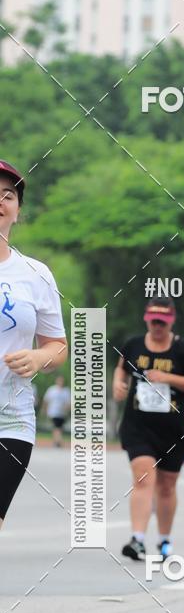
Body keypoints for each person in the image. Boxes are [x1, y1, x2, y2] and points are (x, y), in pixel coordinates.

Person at [0, 160, 67, 528]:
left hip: (11, 419)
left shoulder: (36, 274)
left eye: (8, 195)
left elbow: (58, 345)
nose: (0, 201)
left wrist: (39, 357)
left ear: (17, 210)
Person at [113, 297, 184, 562]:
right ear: (146, 319)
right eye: (153, 321)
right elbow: (120, 370)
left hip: (173, 428)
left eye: (162, 322)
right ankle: (137, 540)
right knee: (143, 477)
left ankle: (164, 539)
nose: (157, 326)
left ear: (171, 320)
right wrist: (118, 384)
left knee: (166, 486)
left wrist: (168, 378)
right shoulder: (133, 345)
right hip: (138, 425)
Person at [43, 374, 71, 447]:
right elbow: (46, 400)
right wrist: (45, 410)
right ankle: (59, 441)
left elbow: (68, 403)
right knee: (56, 427)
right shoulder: (52, 390)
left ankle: (56, 441)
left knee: (59, 428)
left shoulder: (66, 391)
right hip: (53, 412)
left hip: (62, 413)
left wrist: (67, 409)